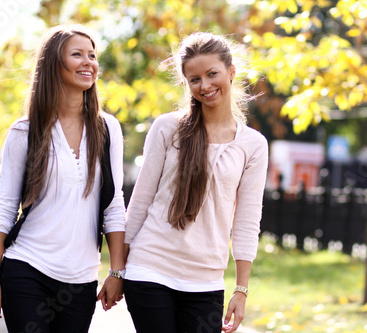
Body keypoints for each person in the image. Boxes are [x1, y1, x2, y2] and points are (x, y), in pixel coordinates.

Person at [0, 25, 126, 332]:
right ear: (52, 63)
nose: (89, 62)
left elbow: (114, 207)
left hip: (80, 281)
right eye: (77, 54)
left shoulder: (108, 130)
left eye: (92, 55)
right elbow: (6, 207)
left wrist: (117, 271)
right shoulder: (25, 131)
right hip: (27, 268)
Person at [122, 32, 269, 333]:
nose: (205, 85)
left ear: (231, 71)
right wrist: (116, 270)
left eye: (212, 74)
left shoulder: (254, 144)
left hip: (206, 281)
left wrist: (241, 289)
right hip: (150, 269)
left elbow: (246, 220)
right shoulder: (167, 128)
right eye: (194, 79)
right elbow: (141, 200)